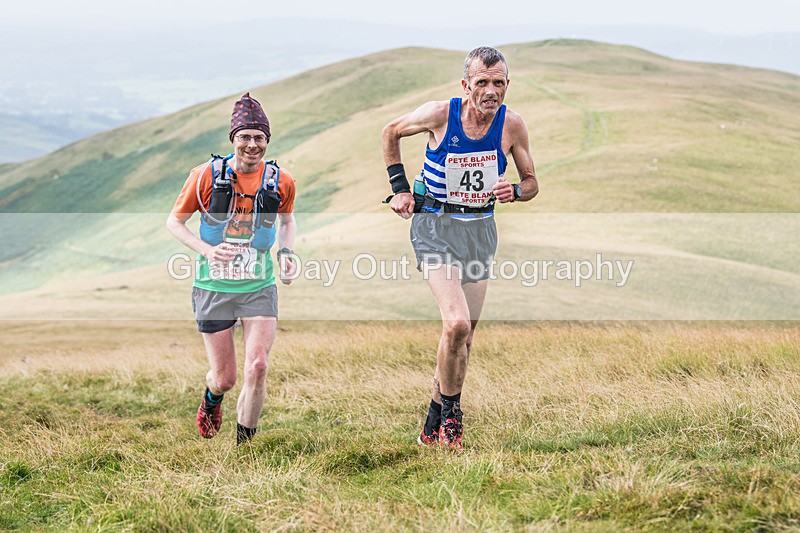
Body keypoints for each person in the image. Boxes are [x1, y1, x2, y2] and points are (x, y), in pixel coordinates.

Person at [381, 46, 538, 449]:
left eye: (498, 83)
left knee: (463, 341)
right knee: (457, 324)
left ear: (507, 85)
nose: (490, 91)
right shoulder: (440, 114)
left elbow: (532, 182)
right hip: (435, 225)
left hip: (480, 230)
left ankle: (433, 419)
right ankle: (453, 417)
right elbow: (391, 131)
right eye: (482, 82)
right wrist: (399, 190)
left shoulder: (512, 125)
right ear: (465, 84)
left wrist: (515, 191)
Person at [167, 92, 297, 446]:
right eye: (245, 137)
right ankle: (212, 399)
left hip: (259, 286)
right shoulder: (204, 175)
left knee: (258, 366)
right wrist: (207, 251)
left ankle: (245, 449)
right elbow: (174, 223)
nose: (252, 145)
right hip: (213, 286)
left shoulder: (281, 180)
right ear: (233, 140)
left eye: (259, 138)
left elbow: (287, 221)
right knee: (224, 378)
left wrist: (286, 251)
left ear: (267, 141)